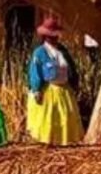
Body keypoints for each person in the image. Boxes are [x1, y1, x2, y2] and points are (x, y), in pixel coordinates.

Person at [26, 16, 84, 145]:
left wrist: (74, 84)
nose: (53, 38)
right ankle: (48, 142)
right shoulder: (40, 52)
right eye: (50, 36)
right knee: (49, 118)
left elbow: (71, 68)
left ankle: (63, 141)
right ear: (45, 37)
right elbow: (35, 71)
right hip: (49, 90)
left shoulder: (62, 51)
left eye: (55, 36)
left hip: (64, 89)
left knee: (64, 116)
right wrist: (36, 90)